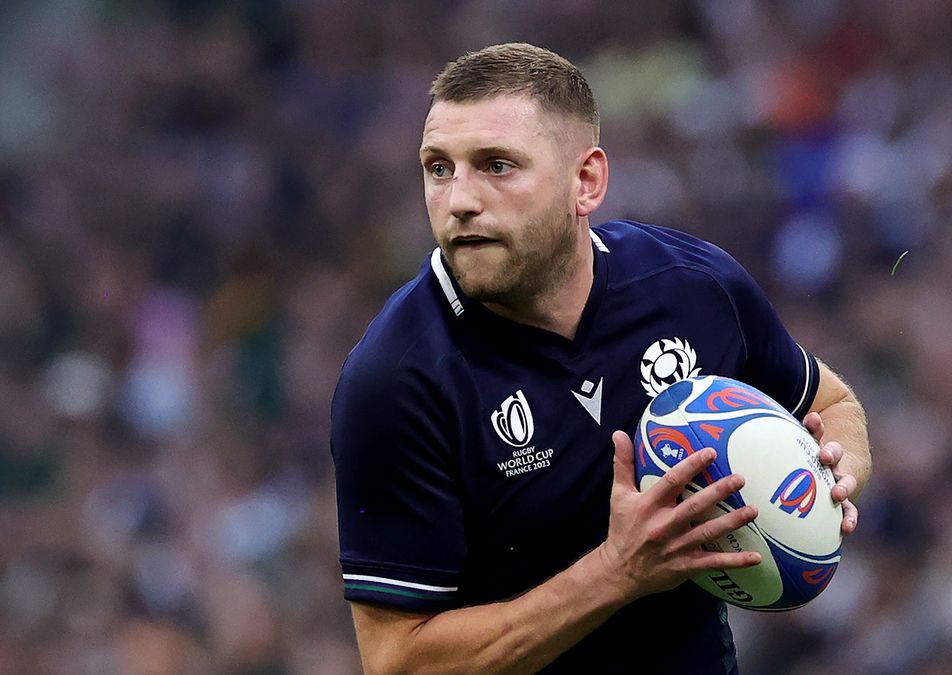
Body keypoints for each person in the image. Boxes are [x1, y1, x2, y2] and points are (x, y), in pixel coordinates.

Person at [330, 42, 871, 674]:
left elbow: (830, 403)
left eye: (497, 165)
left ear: (585, 181)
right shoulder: (396, 381)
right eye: (438, 167)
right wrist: (615, 574)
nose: (458, 201)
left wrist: (835, 472)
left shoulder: (692, 286)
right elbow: (398, 661)